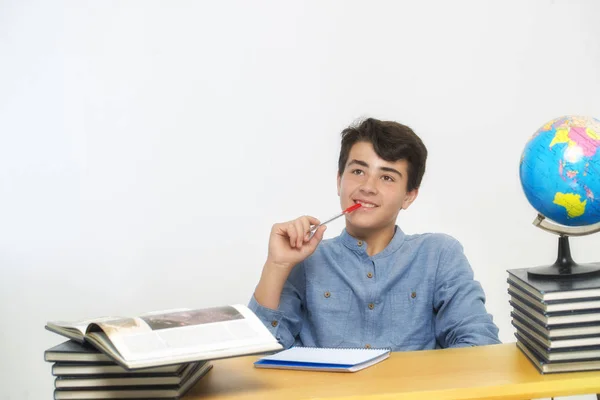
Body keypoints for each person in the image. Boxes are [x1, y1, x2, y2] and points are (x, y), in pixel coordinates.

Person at [248, 117, 500, 350]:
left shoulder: (439, 254)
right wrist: (277, 264)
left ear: (409, 196)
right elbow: (258, 353)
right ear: (339, 181)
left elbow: (479, 343)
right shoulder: (304, 258)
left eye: (387, 178)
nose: (368, 187)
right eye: (358, 171)